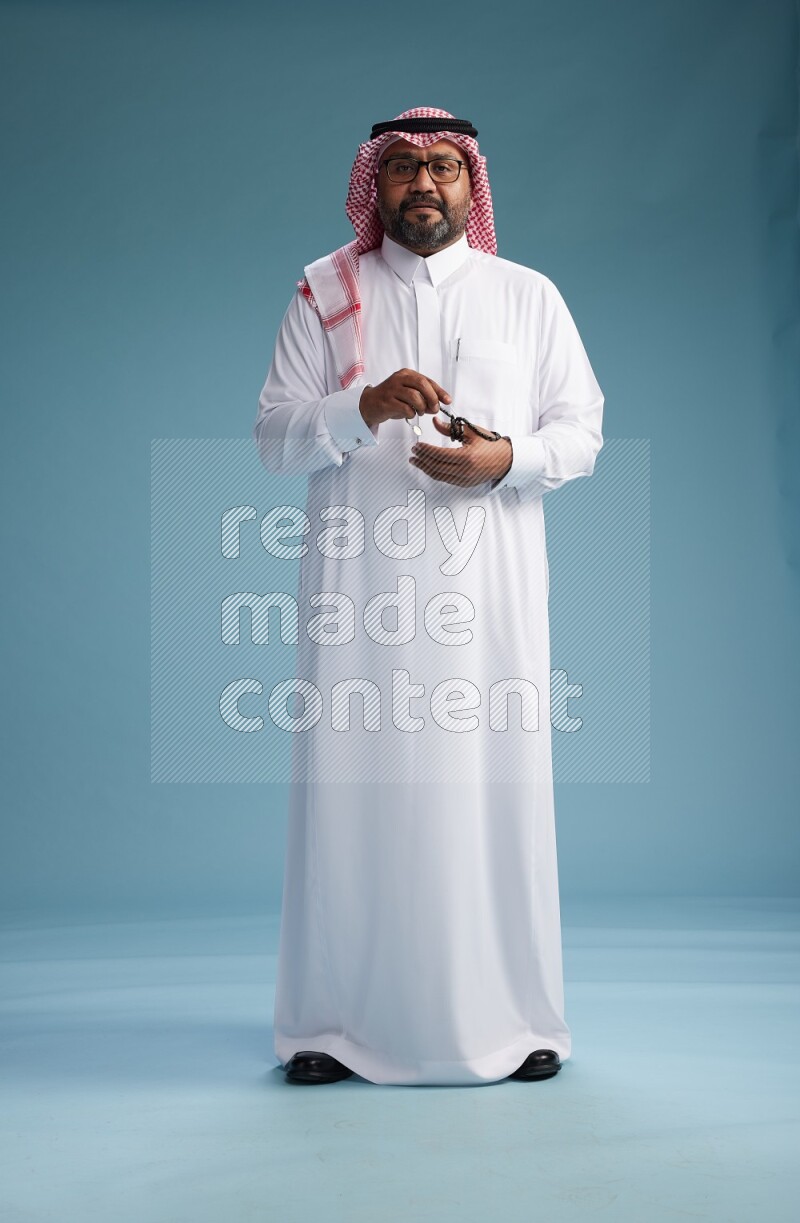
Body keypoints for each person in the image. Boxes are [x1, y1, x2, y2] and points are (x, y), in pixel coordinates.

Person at [252, 106, 604, 1087]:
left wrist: (507, 458)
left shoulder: (526, 296)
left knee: (492, 789)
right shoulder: (326, 290)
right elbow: (275, 437)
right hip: (358, 594)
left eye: (442, 168)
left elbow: (579, 431)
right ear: (376, 182)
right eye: (402, 166)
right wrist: (359, 406)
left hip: (485, 597)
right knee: (350, 796)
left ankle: (518, 1016)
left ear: (470, 184)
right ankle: (328, 1024)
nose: (422, 184)